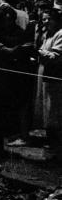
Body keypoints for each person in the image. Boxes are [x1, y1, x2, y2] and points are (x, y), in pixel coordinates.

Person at [33, 9, 62, 144]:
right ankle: (50, 136)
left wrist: (40, 52)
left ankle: (55, 139)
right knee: (46, 105)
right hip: (44, 71)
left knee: (53, 106)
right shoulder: (47, 33)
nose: (45, 22)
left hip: (54, 73)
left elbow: (55, 56)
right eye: (43, 19)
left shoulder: (60, 34)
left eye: (48, 19)